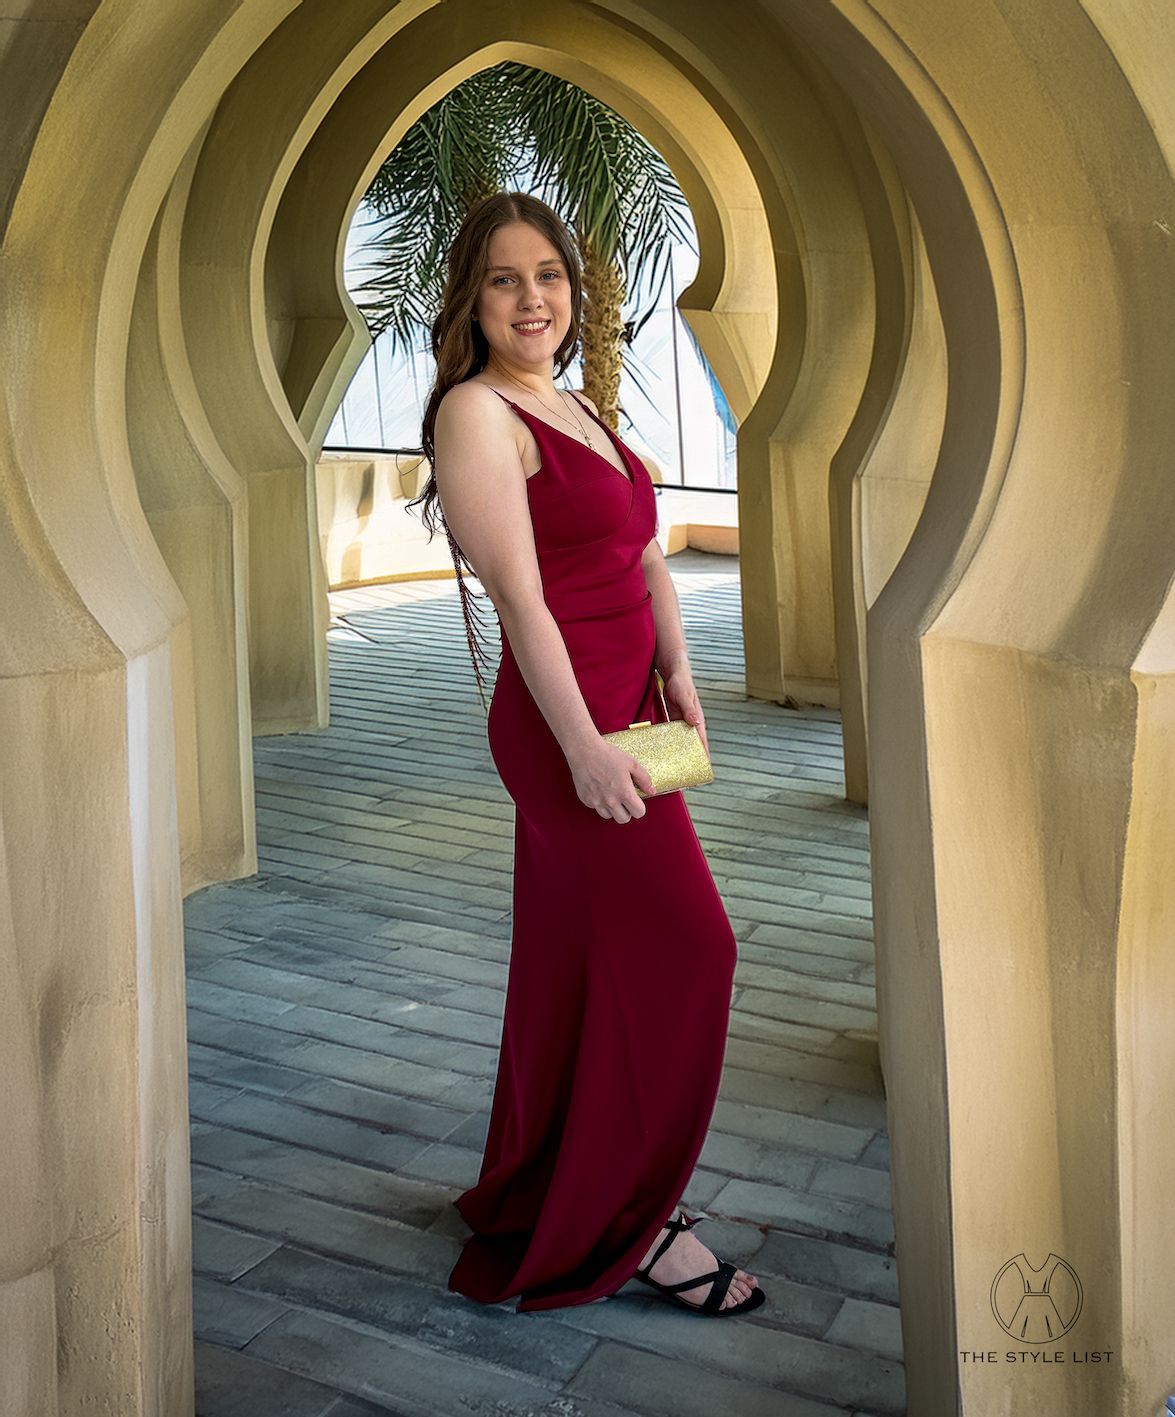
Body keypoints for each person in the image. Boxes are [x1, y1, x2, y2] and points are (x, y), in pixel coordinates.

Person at [414, 190, 765, 1317]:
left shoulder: (575, 404)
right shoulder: (477, 413)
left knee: (571, 965)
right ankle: (637, 1220)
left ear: (575, 292)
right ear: (472, 296)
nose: (531, 298)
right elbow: (521, 599)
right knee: (690, 947)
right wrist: (582, 748)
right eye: (504, 278)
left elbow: (644, 557)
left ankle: (543, 1181)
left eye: (548, 276)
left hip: (629, 710)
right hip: (566, 726)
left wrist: (680, 676)